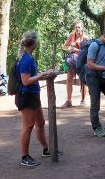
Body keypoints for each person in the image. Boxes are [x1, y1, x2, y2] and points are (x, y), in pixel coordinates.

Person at [16, 31, 59, 167]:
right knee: (28, 126)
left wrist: (44, 74)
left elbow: (31, 76)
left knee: (40, 123)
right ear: (33, 43)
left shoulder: (29, 56)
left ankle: (46, 149)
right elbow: (25, 81)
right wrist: (42, 75)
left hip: (33, 95)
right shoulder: (26, 59)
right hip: (26, 96)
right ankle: (25, 156)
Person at [60, 20, 88, 108]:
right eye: (76, 27)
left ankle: (83, 100)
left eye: (79, 27)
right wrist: (69, 47)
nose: (77, 29)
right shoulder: (72, 36)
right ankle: (69, 101)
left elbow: (88, 51)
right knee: (69, 79)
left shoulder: (86, 38)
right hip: (72, 61)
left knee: (82, 80)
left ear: (82, 28)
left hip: (82, 61)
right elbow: (64, 47)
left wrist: (76, 50)